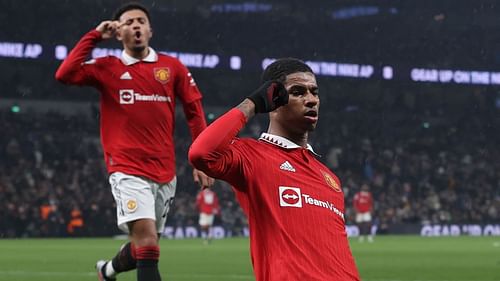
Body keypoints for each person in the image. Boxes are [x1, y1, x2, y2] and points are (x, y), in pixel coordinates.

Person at [55, 2, 214, 281]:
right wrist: (94, 36)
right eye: (128, 23)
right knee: (149, 244)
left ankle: (107, 271)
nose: (136, 26)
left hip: (165, 170)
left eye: (141, 21)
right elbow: (65, 74)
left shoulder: (172, 67)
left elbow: (194, 111)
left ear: (150, 30)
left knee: (144, 246)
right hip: (126, 168)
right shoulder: (107, 67)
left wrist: (201, 159)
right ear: (118, 33)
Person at [189, 58, 360, 280]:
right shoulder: (251, 156)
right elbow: (201, 153)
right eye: (298, 92)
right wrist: (252, 104)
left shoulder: (330, 178)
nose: (311, 100)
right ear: (273, 99)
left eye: (314, 92)